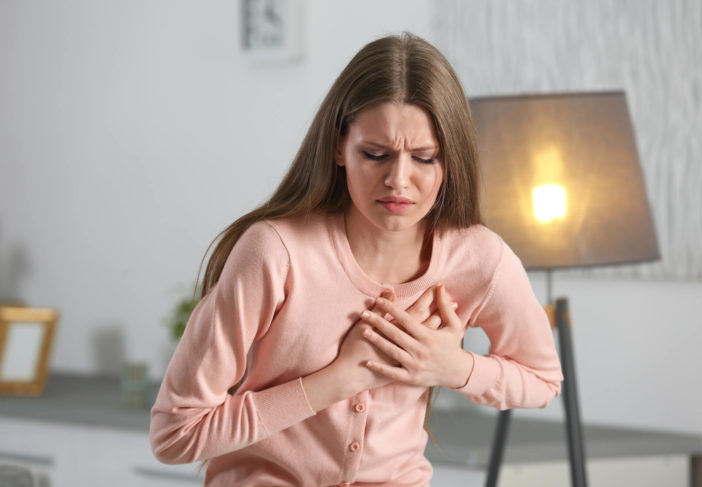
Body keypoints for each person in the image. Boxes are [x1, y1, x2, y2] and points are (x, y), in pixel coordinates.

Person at [150, 32, 563, 487]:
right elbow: (175, 435)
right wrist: (336, 380)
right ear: (338, 147)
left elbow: (543, 380)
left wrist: (454, 367)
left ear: (450, 162)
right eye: (375, 154)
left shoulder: (480, 258)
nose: (398, 181)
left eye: (424, 159)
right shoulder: (275, 252)